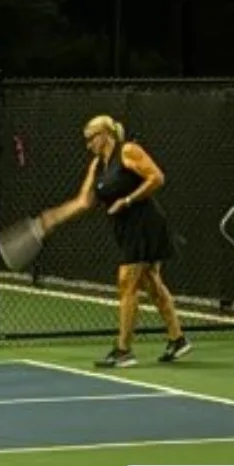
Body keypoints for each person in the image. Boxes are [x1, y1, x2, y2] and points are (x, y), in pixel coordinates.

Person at [40, 112, 189, 370]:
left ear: (105, 134)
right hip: (126, 228)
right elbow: (83, 202)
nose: (88, 145)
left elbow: (157, 177)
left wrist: (128, 200)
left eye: (91, 139)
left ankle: (123, 350)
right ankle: (178, 340)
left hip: (146, 223)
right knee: (152, 283)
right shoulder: (97, 165)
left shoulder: (128, 151)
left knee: (126, 282)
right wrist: (52, 218)